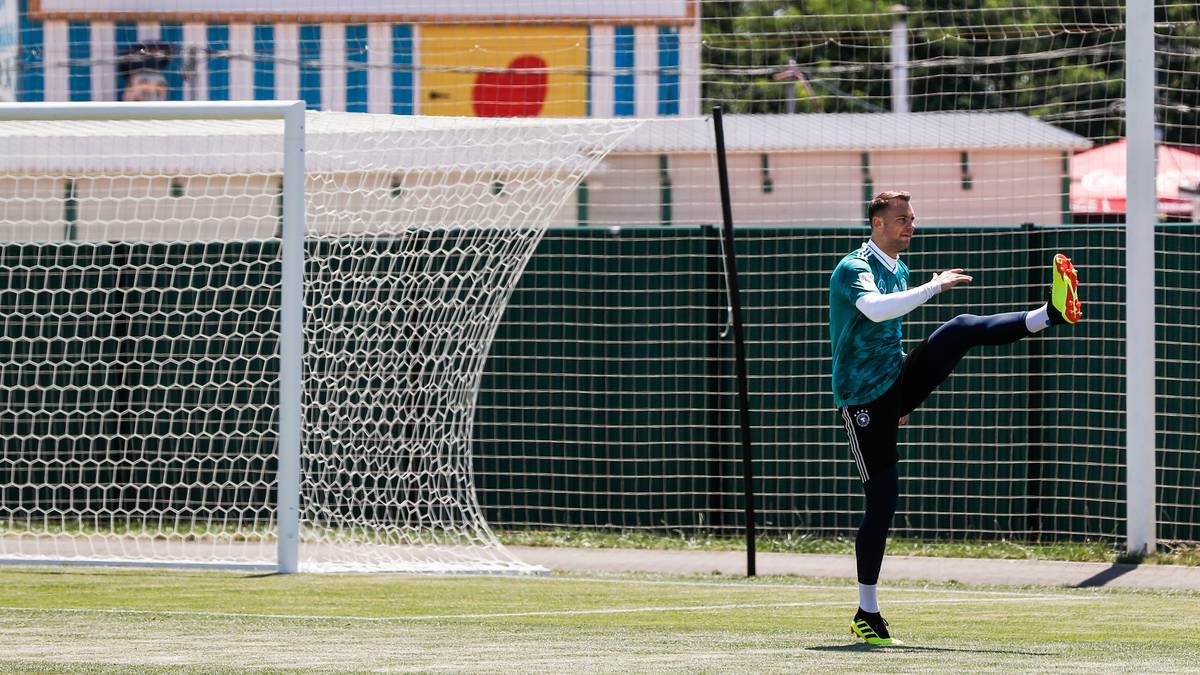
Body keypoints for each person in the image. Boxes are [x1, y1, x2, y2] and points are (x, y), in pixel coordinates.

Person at [828, 190, 1081, 646]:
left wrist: (903, 399)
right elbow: (875, 309)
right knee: (882, 500)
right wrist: (933, 286)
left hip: (894, 382)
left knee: (960, 328)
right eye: (902, 218)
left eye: (913, 217)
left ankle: (1051, 314)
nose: (910, 225)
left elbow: (892, 323)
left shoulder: (897, 267)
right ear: (877, 223)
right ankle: (867, 612)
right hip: (862, 398)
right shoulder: (854, 267)